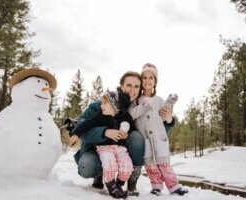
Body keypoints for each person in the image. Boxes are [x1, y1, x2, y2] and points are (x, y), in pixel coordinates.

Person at [72, 71, 175, 196]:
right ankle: (99, 174)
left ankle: (131, 180)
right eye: (128, 85)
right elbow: (81, 126)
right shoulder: (101, 105)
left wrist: (169, 120)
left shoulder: (138, 110)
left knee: (137, 137)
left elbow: (155, 131)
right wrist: (105, 132)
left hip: (121, 151)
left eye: (136, 86)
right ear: (121, 86)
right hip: (95, 150)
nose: (132, 90)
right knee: (86, 166)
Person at [129, 63, 188, 196]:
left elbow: (166, 118)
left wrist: (168, 116)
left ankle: (174, 186)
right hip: (145, 139)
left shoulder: (159, 100)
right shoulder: (136, 101)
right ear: (141, 80)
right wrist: (142, 107)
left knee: (164, 164)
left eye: (151, 77)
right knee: (151, 165)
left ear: (155, 82)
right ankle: (156, 186)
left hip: (159, 138)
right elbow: (131, 115)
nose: (148, 80)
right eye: (144, 77)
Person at [70, 90, 134, 199]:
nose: (101, 105)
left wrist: (126, 135)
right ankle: (111, 186)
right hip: (105, 148)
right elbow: (86, 124)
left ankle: (119, 184)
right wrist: (75, 134)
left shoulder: (125, 117)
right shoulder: (100, 115)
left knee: (127, 166)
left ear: (115, 106)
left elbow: (131, 128)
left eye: (105, 103)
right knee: (110, 165)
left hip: (119, 148)